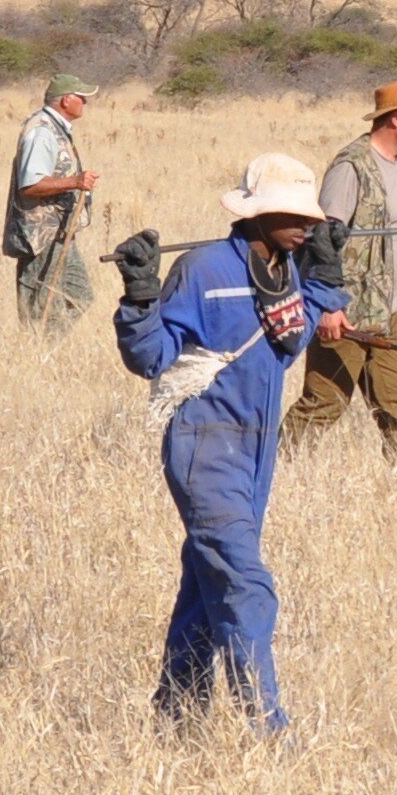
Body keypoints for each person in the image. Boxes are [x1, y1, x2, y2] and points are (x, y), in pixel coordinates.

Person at [117, 153, 351, 734]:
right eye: (290, 215)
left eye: (310, 219)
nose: (305, 226)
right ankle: (268, 730)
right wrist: (140, 298)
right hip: (204, 444)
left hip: (256, 449)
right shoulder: (201, 269)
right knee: (246, 584)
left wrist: (325, 281)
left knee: (207, 577)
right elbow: (150, 358)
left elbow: (287, 345)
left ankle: (176, 715)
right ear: (254, 214)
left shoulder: (288, 270)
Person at [291, 78, 397, 446]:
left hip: (390, 312)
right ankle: (274, 470)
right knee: (324, 403)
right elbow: (319, 239)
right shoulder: (351, 166)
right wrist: (326, 304)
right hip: (346, 311)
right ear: (394, 119)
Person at [2, 74, 100, 328]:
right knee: (38, 308)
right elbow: (30, 186)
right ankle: (37, 354)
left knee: (78, 295)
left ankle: (50, 350)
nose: (85, 104)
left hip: (58, 233)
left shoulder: (56, 128)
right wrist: (74, 182)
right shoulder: (42, 132)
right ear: (66, 100)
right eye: (81, 98)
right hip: (40, 237)